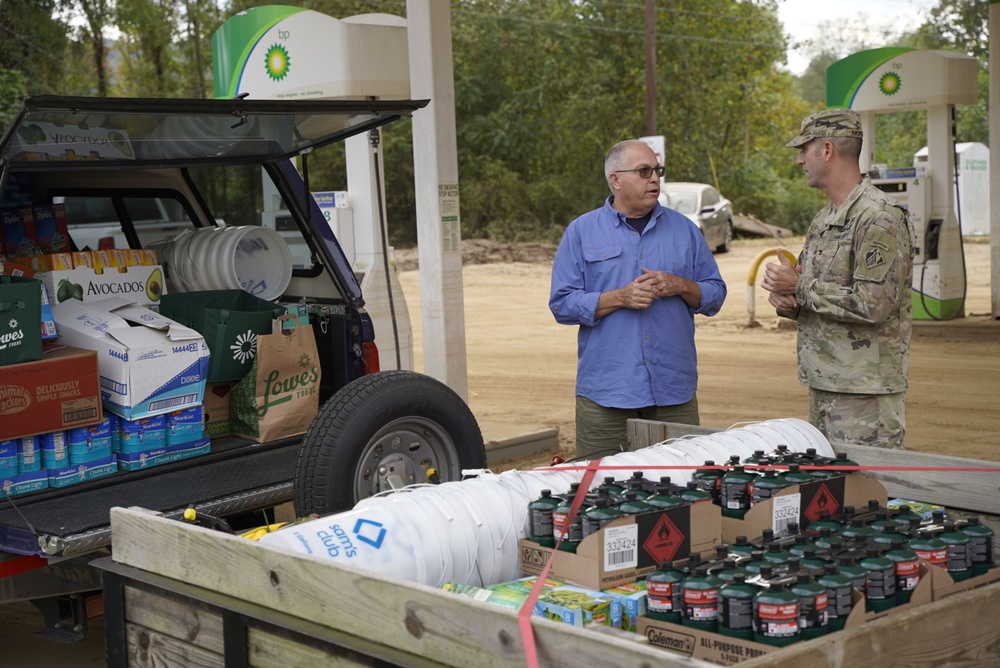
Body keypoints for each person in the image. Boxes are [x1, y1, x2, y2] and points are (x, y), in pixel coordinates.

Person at [549, 140, 727, 459]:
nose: (655, 179)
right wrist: (620, 297)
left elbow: (715, 295)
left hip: (673, 393)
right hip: (606, 395)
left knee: (682, 490)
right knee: (602, 490)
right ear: (615, 179)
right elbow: (562, 304)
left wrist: (680, 284)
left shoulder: (685, 231)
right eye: (644, 171)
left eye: (657, 171)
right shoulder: (580, 232)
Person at [762, 108, 916, 449]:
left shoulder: (879, 218)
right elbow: (814, 295)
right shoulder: (825, 219)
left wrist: (798, 287)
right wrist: (786, 299)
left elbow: (873, 305)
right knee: (831, 493)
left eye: (804, 149)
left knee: (866, 493)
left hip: (864, 393)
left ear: (827, 150)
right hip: (825, 381)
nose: (800, 160)